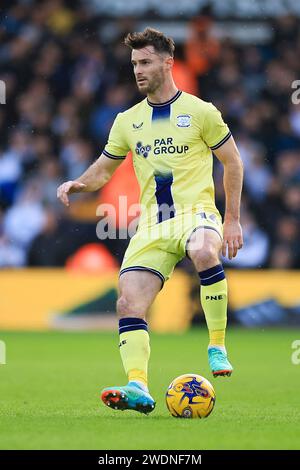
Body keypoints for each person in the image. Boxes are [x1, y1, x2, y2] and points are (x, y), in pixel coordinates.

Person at [57, 28, 243, 415]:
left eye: (144, 62)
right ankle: (137, 385)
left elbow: (233, 162)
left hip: (197, 215)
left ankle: (217, 345)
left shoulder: (201, 111)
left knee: (205, 250)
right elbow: (103, 170)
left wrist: (232, 220)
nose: (138, 71)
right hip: (154, 226)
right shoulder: (127, 121)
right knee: (128, 303)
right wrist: (79, 183)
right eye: (134, 64)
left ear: (167, 62)